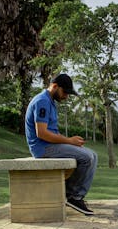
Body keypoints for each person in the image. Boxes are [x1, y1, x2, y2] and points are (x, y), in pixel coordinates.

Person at [25, 73, 97, 215]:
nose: (66, 96)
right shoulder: (42, 101)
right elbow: (42, 133)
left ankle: (66, 193)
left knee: (92, 154)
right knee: (87, 157)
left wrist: (72, 142)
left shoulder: (50, 101)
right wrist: (69, 141)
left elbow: (52, 132)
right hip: (42, 148)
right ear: (55, 86)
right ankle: (73, 196)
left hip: (50, 145)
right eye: (65, 92)